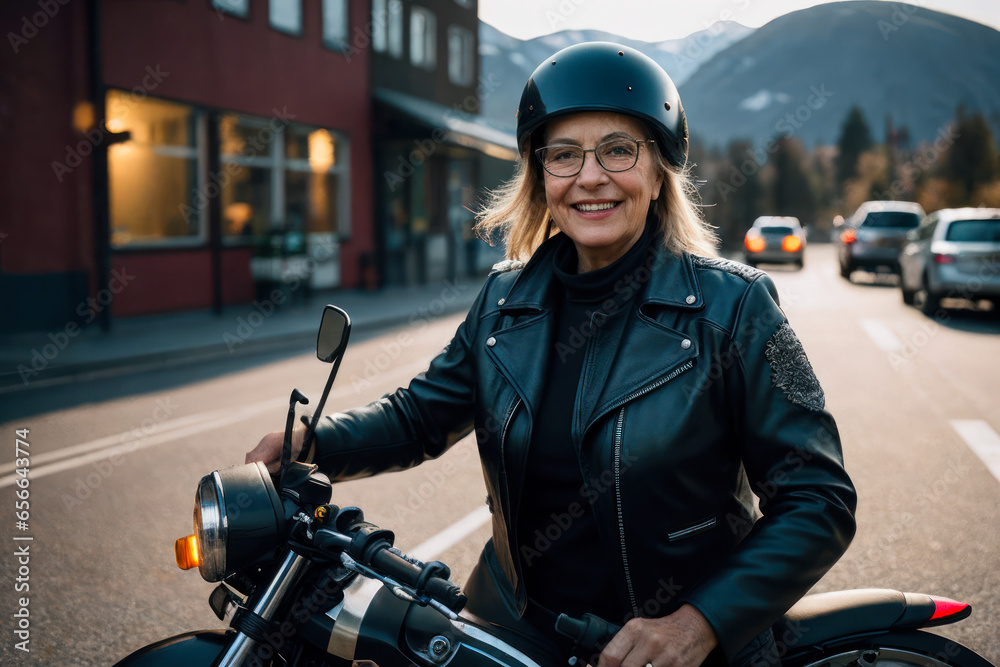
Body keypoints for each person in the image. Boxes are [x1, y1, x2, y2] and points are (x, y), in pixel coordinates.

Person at [247, 42, 857, 667]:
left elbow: (817, 500)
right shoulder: (505, 301)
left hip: (677, 650)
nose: (590, 176)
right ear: (540, 177)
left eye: (619, 149)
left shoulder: (735, 309)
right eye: (564, 155)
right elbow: (420, 417)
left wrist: (696, 623)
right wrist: (311, 443)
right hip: (515, 632)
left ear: (658, 171)